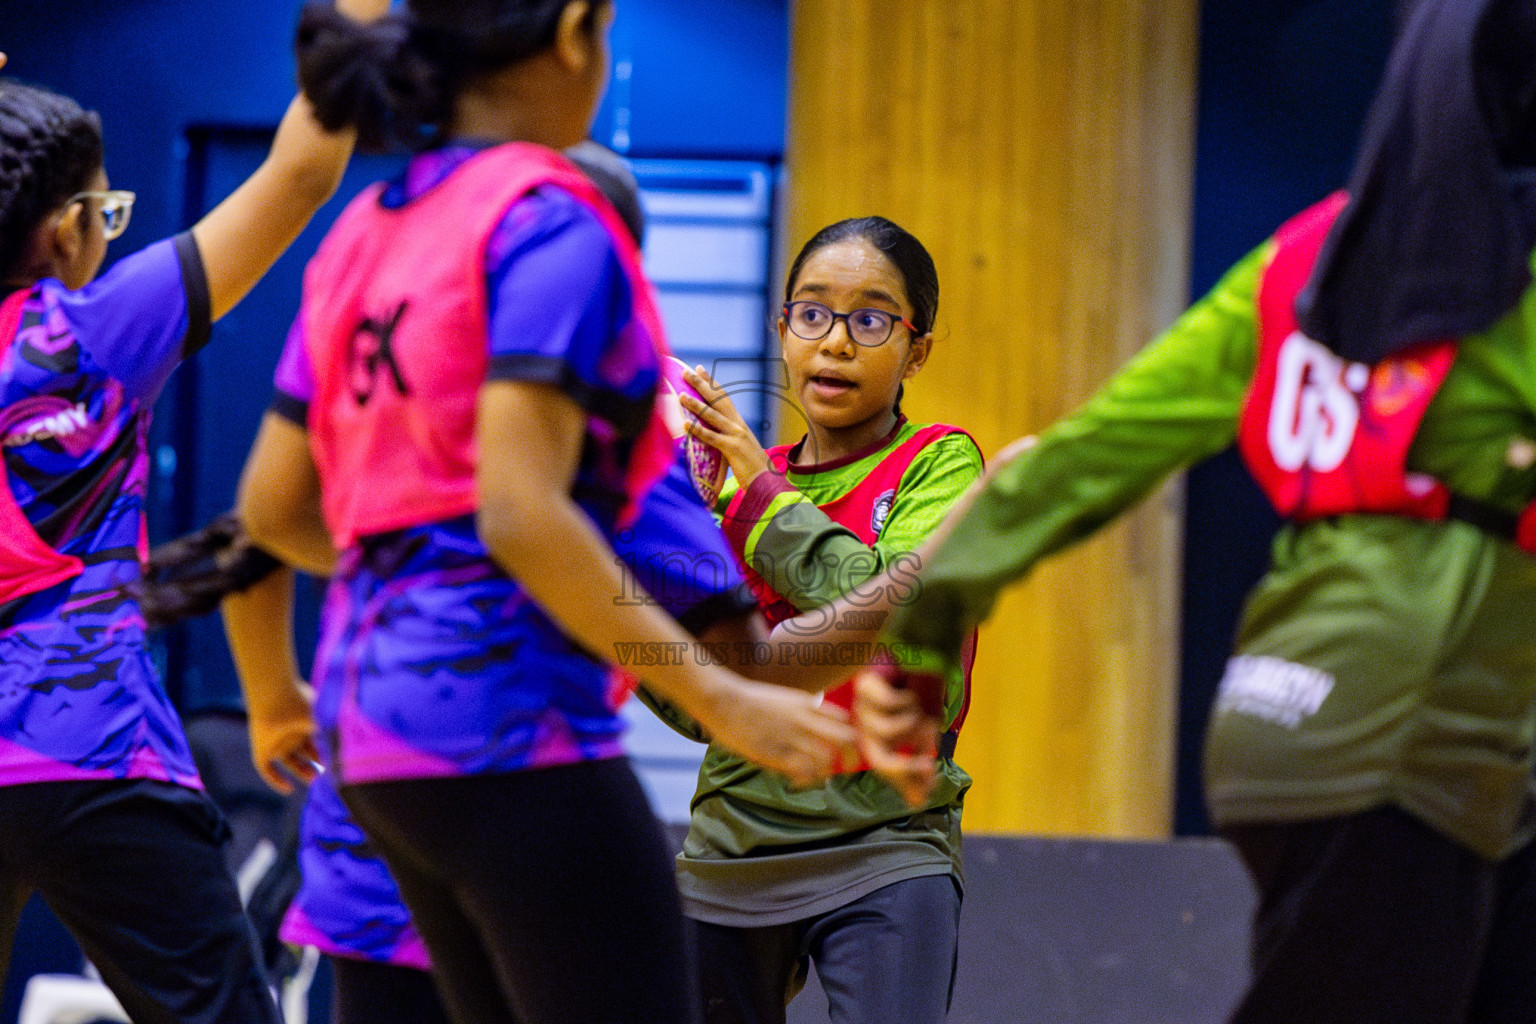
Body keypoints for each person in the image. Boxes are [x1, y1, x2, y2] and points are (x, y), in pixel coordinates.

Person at [854, 1, 1536, 1022]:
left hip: (1283, 725)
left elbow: (1079, 459)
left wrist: (918, 644)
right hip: (1408, 735)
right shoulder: (1512, 288)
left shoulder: (1300, 264)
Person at [232, 4, 853, 1023]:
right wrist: (726, 702)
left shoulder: (365, 230)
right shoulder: (550, 217)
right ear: (576, 33)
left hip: (370, 733)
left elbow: (270, 509)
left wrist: (419, 570)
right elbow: (522, 513)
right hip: (506, 724)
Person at [0, 0, 387, 1020]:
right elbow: (298, 174)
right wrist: (351, 17)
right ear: (64, 230)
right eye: (105, 210)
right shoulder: (96, 327)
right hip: (92, 747)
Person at [660, 216, 983, 1024]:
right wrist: (641, 569)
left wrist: (754, 492)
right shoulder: (727, 488)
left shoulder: (943, 464)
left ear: (917, 350)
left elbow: (880, 604)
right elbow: (702, 706)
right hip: (732, 846)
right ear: (783, 330)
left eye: (870, 319)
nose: (835, 342)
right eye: (812, 313)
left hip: (887, 843)